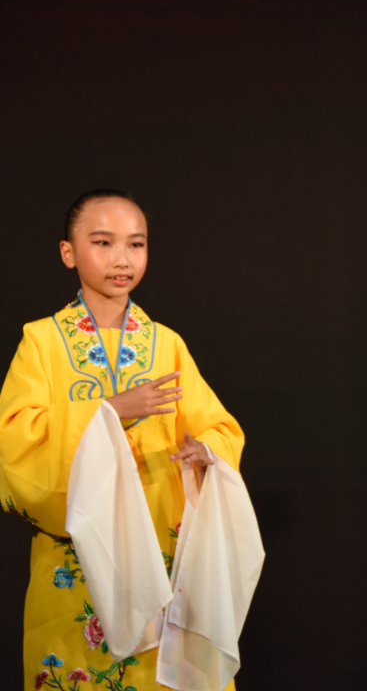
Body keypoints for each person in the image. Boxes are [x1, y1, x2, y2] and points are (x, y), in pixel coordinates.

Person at [0, 190, 248, 691]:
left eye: (136, 245)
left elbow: (219, 426)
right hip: (76, 561)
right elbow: (15, 445)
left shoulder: (166, 344)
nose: (121, 259)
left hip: (163, 551)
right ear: (69, 253)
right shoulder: (42, 342)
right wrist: (110, 410)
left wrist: (207, 453)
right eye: (103, 242)